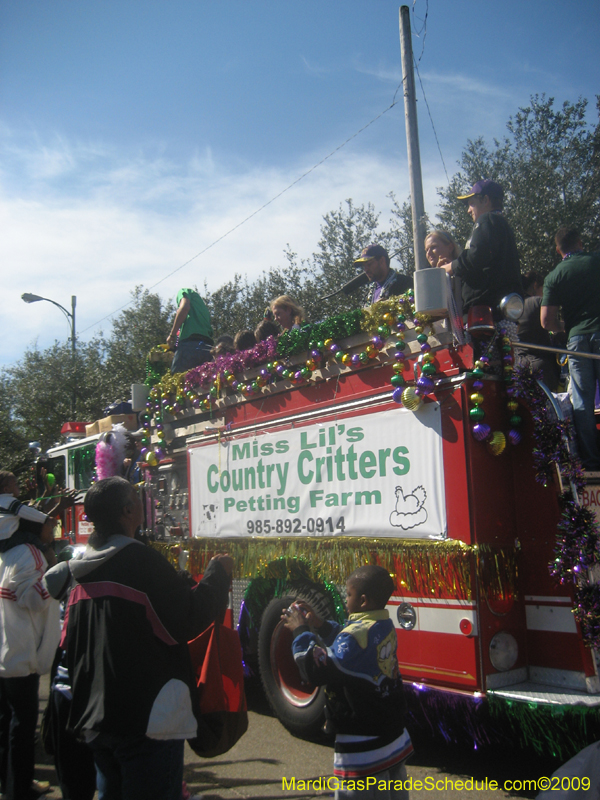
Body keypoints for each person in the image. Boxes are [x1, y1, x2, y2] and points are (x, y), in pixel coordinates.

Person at [44, 477, 233, 800]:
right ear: (128, 510)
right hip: (147, 719)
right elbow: (188, 618)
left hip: (94, 717)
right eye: (136, 498)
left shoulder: (74, 572)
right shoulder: (141, 562)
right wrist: (218, 574)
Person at [282, 565, 413, 800]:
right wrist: (322, 626)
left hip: (364, 746)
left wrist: (301, 630)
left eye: (349, 594)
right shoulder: (382, 625)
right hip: (391, 736)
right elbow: (351, 648)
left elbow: (317, 669)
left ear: (362, 601)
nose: (345, 598)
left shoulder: (354, 638)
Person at [0, 471, 60, 800]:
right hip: (21, 656)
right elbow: (36, 599)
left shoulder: (6, 553)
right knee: (22, 728)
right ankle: (19, 789)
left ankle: (10, 783)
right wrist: (58, 574)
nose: (54, 530)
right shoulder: (32, 555)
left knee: (6, 723)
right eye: (51, 525)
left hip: (4, 652)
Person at [541, 226, 600, 470]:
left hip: (576, 341)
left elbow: (546, 321)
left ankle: (591, 460)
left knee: (582, 401)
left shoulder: (554, 276)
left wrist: (564, 328)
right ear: (580, 242)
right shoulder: (595, 260)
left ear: (558, 250)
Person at [440, 180, 523, 317]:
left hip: (484, 311)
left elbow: (477, 255)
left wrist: (451, 266)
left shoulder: (487, 219)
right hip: (501, 307)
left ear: (485, 200)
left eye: (471, 203)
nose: (468, 210)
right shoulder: (501, 224)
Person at [515, 271, 560, 391]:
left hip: (520, 366)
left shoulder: (513, 307)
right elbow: (551, 325)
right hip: (542, 367)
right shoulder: (537, 302)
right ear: (535, 285)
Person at [167, 288, 214, 374]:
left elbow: (185, 307)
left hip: (189, 346)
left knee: (176, 381)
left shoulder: (184, 291)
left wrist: (172, 335)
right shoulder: (203, 310)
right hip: (207, 347)